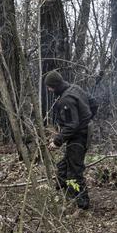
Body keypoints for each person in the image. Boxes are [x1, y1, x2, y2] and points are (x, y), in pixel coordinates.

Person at [44, 70, 95, 210]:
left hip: (79, 137)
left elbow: (71, 125)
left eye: (49, 87)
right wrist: (88, 120)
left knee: (74, 172)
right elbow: (93, 103)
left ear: (55, 85)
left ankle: (82, 203)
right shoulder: (75, 89)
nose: (49, 90)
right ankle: (63, 195)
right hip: (83, 133)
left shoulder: (65, 100)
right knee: (62, 167)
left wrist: (57, 141)